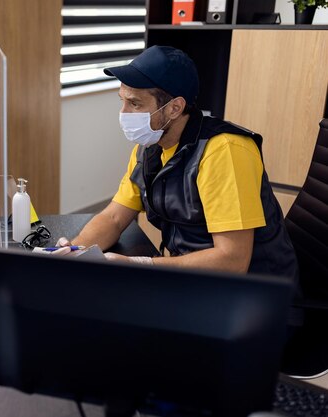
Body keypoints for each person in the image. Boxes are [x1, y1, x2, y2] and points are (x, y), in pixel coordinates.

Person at [56, 45, 298, 279]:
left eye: (135, 103)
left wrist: (141, 264)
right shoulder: (149, 149)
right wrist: (76, 250)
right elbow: (114, 217)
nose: (124, 113)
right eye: (122, 101)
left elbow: (232, 261)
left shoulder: (225, 151)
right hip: (192, 277)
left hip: (254, 294)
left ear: (174, 108)